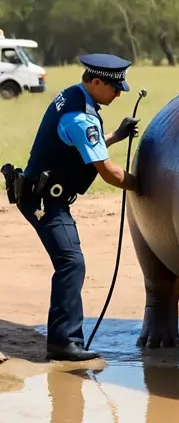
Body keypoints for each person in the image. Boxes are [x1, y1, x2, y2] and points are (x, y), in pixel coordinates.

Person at [17, 53, 140, 361]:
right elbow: (109, 173)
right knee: (71, 263)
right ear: (96, 82)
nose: (118, 93)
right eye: (114, 87)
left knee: (70, 261)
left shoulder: (72, 95)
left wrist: (115, 136)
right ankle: (63, 342)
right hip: (45, 201)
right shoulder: (80, 117)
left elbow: (80, 147)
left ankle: (66, 337)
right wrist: (148, 186)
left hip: (41, 194)